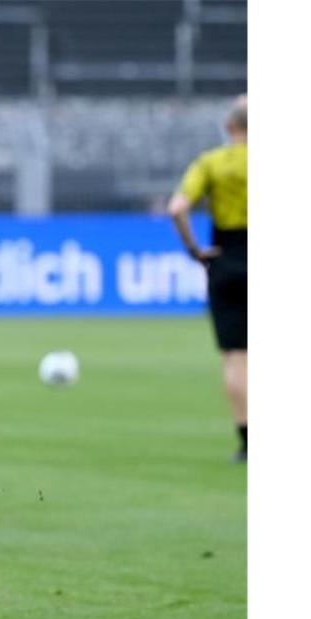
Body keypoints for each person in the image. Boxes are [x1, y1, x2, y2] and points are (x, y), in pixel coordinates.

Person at [168, 94, 248, 462]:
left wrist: (194, 250)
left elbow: (178, 207)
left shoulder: (211, 162)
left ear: (230, 127)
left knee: (235, 356)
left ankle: (248, 442)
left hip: (227, 258)